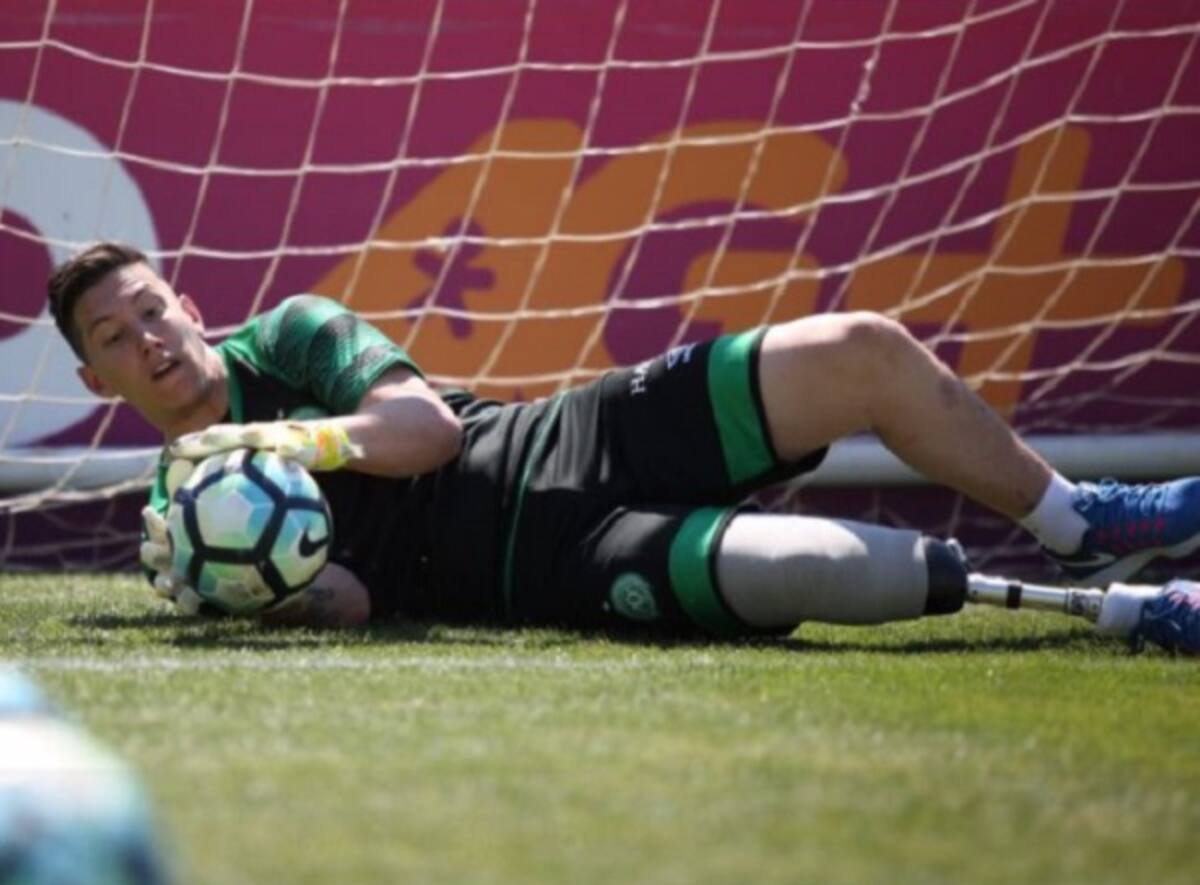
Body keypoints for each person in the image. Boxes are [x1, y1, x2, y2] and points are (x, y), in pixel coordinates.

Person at [45, 242, 1200, 653]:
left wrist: (284, 438)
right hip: (553, 572)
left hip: (570, 435)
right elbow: (348, 600)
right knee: (815, 570)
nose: (148, 341)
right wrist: (272, 599)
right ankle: (1121, 613)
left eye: (152, 311)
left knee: (861, 348)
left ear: (190, 308)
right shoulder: (181, 521)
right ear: (98, 381)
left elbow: (428, 430)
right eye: (115, 337)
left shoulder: (295, 334)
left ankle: (1080, 521)